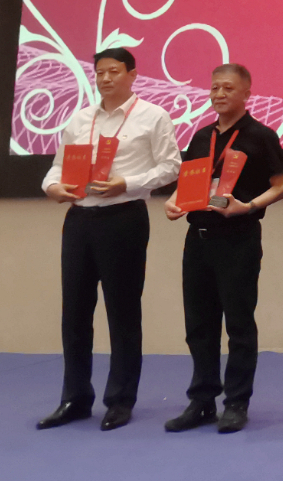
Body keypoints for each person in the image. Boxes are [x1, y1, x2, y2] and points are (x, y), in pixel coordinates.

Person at [37, 47, 181, 431]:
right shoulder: (81, 118)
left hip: (123, 217)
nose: (105, 78)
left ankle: (120, 399)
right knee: (74, 313)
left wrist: (126, 183)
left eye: (113, 71)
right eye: (99, 72)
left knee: (122, 311)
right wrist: (52, 187)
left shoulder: (153, 115)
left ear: (132, 74)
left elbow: (171, 166)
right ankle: (74, 398)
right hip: (79, 219)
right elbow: (56, 167)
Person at [163, 64, 283, 434]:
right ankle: (202, 400)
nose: (219, 94)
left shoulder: (261, 135)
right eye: (215, 87)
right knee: (198, 325)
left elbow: (282, 185)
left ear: (246, 93)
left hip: (238, 238)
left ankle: (236, 402)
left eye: (228, 88)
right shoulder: (201, 136)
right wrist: (173, 201)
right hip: (198, 239)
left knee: (238, 324)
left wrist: (248, 206)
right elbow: (189, 182)